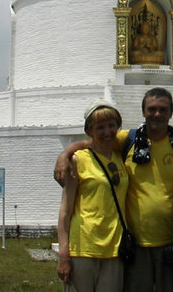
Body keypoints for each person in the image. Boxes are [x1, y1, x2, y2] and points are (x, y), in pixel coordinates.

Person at [55, 87, 173, 292]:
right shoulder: (128, 141)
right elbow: (91, 143)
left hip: (157, 241)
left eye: (163, 110)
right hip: (118, 243)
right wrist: (65, 154)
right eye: (151, 109)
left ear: (171, 113)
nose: (157, 114)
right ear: (143, 112)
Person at [57, 100, 129, 292]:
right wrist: (64, 254)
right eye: (100, 127)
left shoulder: (121, 158)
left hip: (115, 247)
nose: (107, 132)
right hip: (83, 246)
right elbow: (65, 211)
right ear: (90, 130)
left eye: (111, 125)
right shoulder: (78, 160)